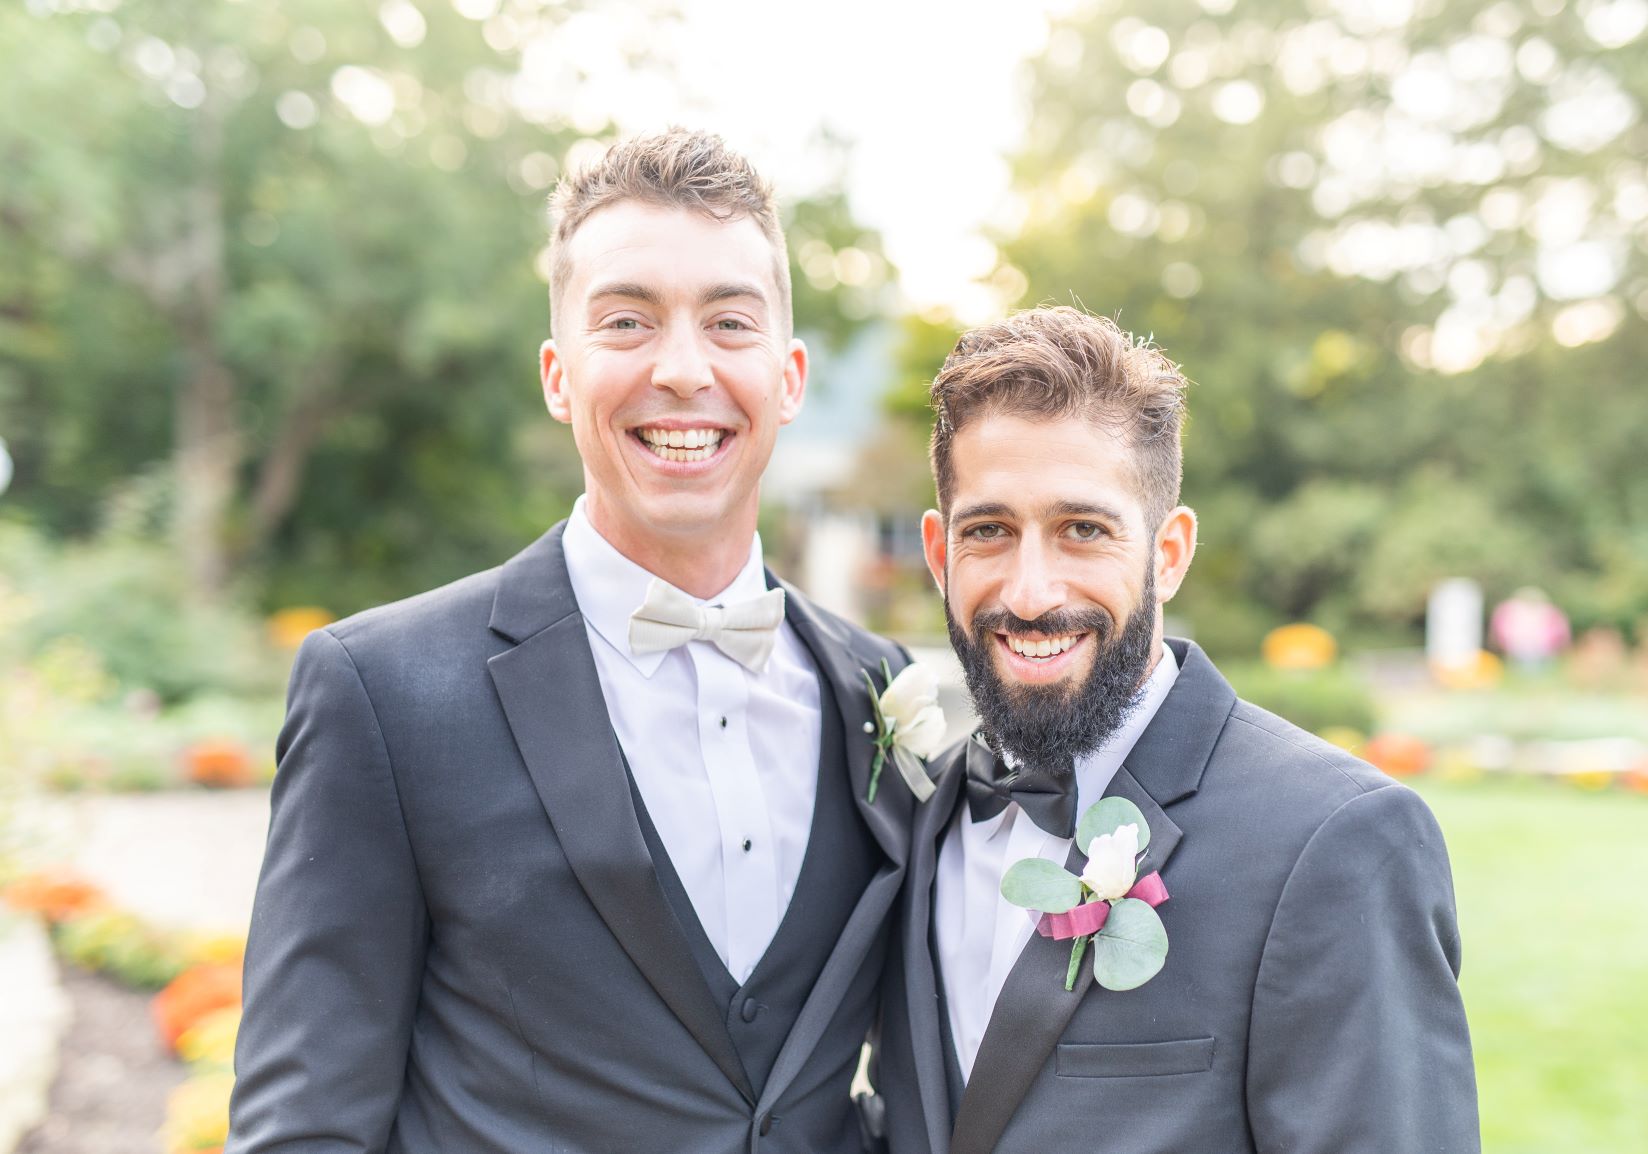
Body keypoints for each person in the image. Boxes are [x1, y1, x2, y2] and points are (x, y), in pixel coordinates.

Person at [228, 129, 924, 1153]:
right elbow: (305, 1128)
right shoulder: (382, 694)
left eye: (730, 321)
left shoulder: (885, 690)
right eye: (628, 320)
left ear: (790, 375)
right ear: (559, 375)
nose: (684, 369)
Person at [875, 306, 1478, 1154]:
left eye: (1082, 529)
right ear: (939, 554)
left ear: (1167, 552)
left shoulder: (1339, 842)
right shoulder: (917, 815)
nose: (1031, 589)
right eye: (989, 531)